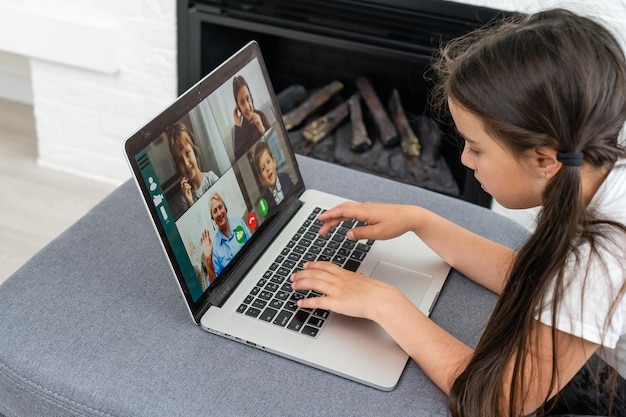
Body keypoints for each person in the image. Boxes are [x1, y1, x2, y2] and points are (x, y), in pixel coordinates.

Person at [290, 9, 626, 417]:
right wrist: (421, 221)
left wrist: (385, 305)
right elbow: (538, 279)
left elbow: (501, 402)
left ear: (544, 159)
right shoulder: (602, 172)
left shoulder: (600, 256)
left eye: (476, 147)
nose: (466, 160)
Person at [167, 122, 219, 211]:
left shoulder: (211, 179)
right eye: (180, 160)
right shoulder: (184, 199)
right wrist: (190, 202)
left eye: (187, 153)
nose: (186, 164)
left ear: (194, 151)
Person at [200, 192, 252, 280]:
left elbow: (254, 245)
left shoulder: (239, 223)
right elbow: (215, 285)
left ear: (225, 208)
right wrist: (208, 261)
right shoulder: (214, 247)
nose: (219, 213)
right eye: (215, 211)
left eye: (220, 207)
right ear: (213, 218)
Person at [232, 75, 271, 159]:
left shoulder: (261, 116)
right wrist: (237, 126)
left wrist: (262, 130)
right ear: (238, 107)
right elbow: (238, 159)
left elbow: (276, 142)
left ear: (251, 98)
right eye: (242, 103)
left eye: (248, 99)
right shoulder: (240, 130)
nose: (247, 106)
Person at [253, 141, 294, 211]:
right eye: (263, 168)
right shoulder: (264, 201)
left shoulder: (286, 178)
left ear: (274, 162)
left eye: (268, 162)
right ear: (261, 178)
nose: (267, 169)